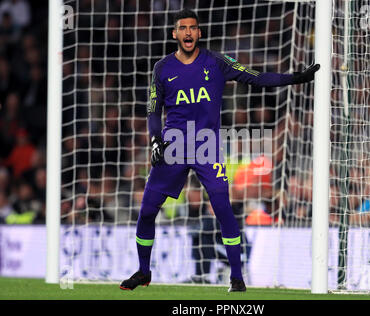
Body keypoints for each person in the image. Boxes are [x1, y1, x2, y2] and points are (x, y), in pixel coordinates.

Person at [119, 9, 319, 292]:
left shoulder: (216, 62)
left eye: (193, 28)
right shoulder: (161, 68)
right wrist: (154, 140)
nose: (188, 32)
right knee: (147, 211)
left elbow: (255, 77)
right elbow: (153, 109)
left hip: (206, 146)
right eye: (182, 28)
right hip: (173, 146)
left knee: (223, 208)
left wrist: (294, 79)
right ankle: (143, 271)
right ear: (174, 34)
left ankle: (237, 277)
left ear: (199, 33)